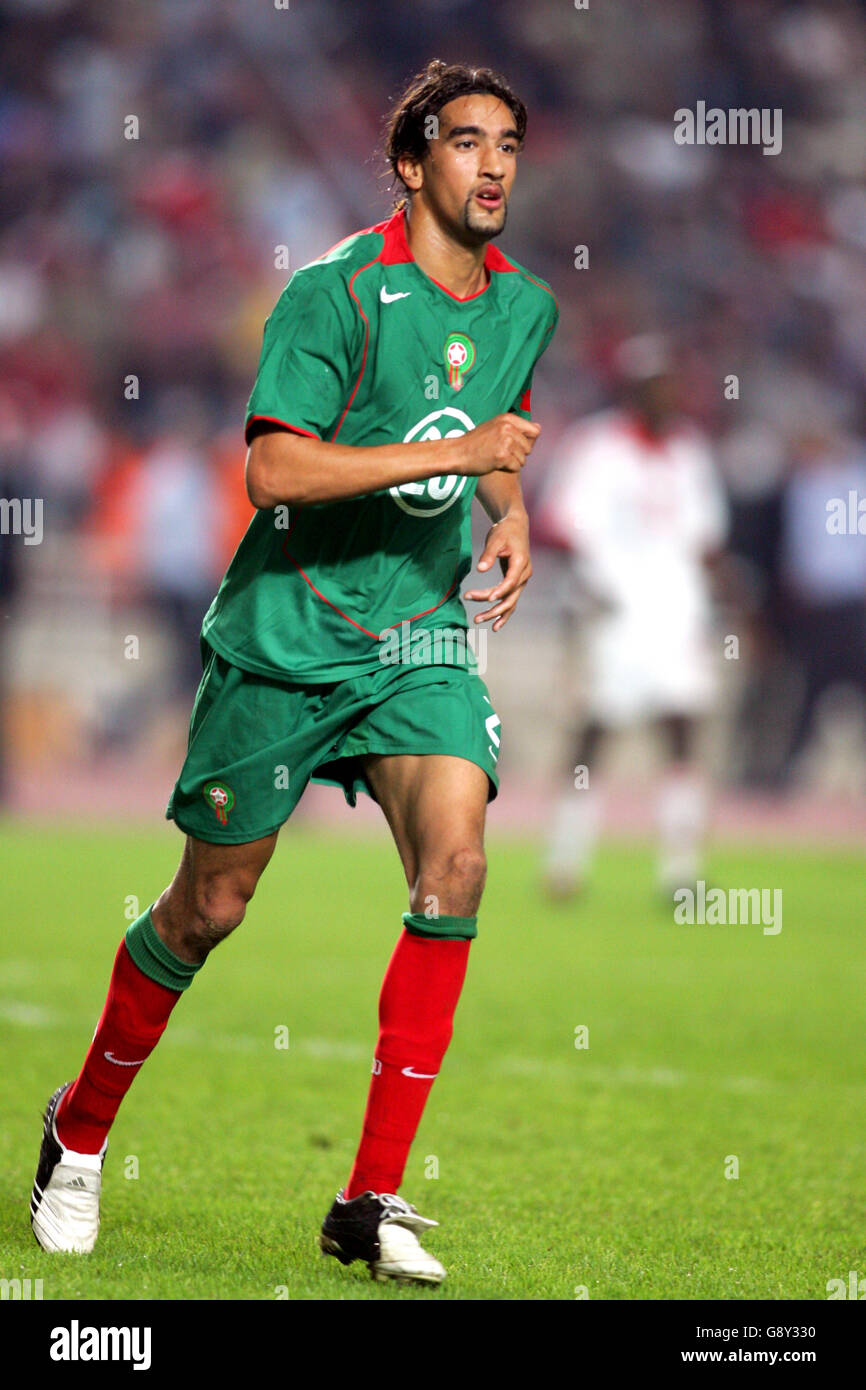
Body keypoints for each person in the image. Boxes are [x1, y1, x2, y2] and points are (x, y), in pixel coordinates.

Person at [30, 60, 558, 1287]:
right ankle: (81, 1131)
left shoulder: (523, 303)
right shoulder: (334, 294)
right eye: (466, 141)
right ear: (410, 163)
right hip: (288, 632)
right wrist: (473, 449)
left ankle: (367, 1199)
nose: (493, 165)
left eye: (509, 145)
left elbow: (483, 425)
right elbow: (275, 474)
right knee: (208, 907)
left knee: (458, 862)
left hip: (417, 634)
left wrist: (509, 507)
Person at [539, 335, 726, 899]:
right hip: (615, 614)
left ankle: (680, 870)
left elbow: (707, 535)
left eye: (673, 384)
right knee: (594, 735)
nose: (667, 394)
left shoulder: (690, 452)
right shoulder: (596, 446)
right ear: (632, 389)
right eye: (656, 385)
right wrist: (590, 586)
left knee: (684, 733)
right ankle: (565, 864)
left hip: (675, 614)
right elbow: (557, 522)